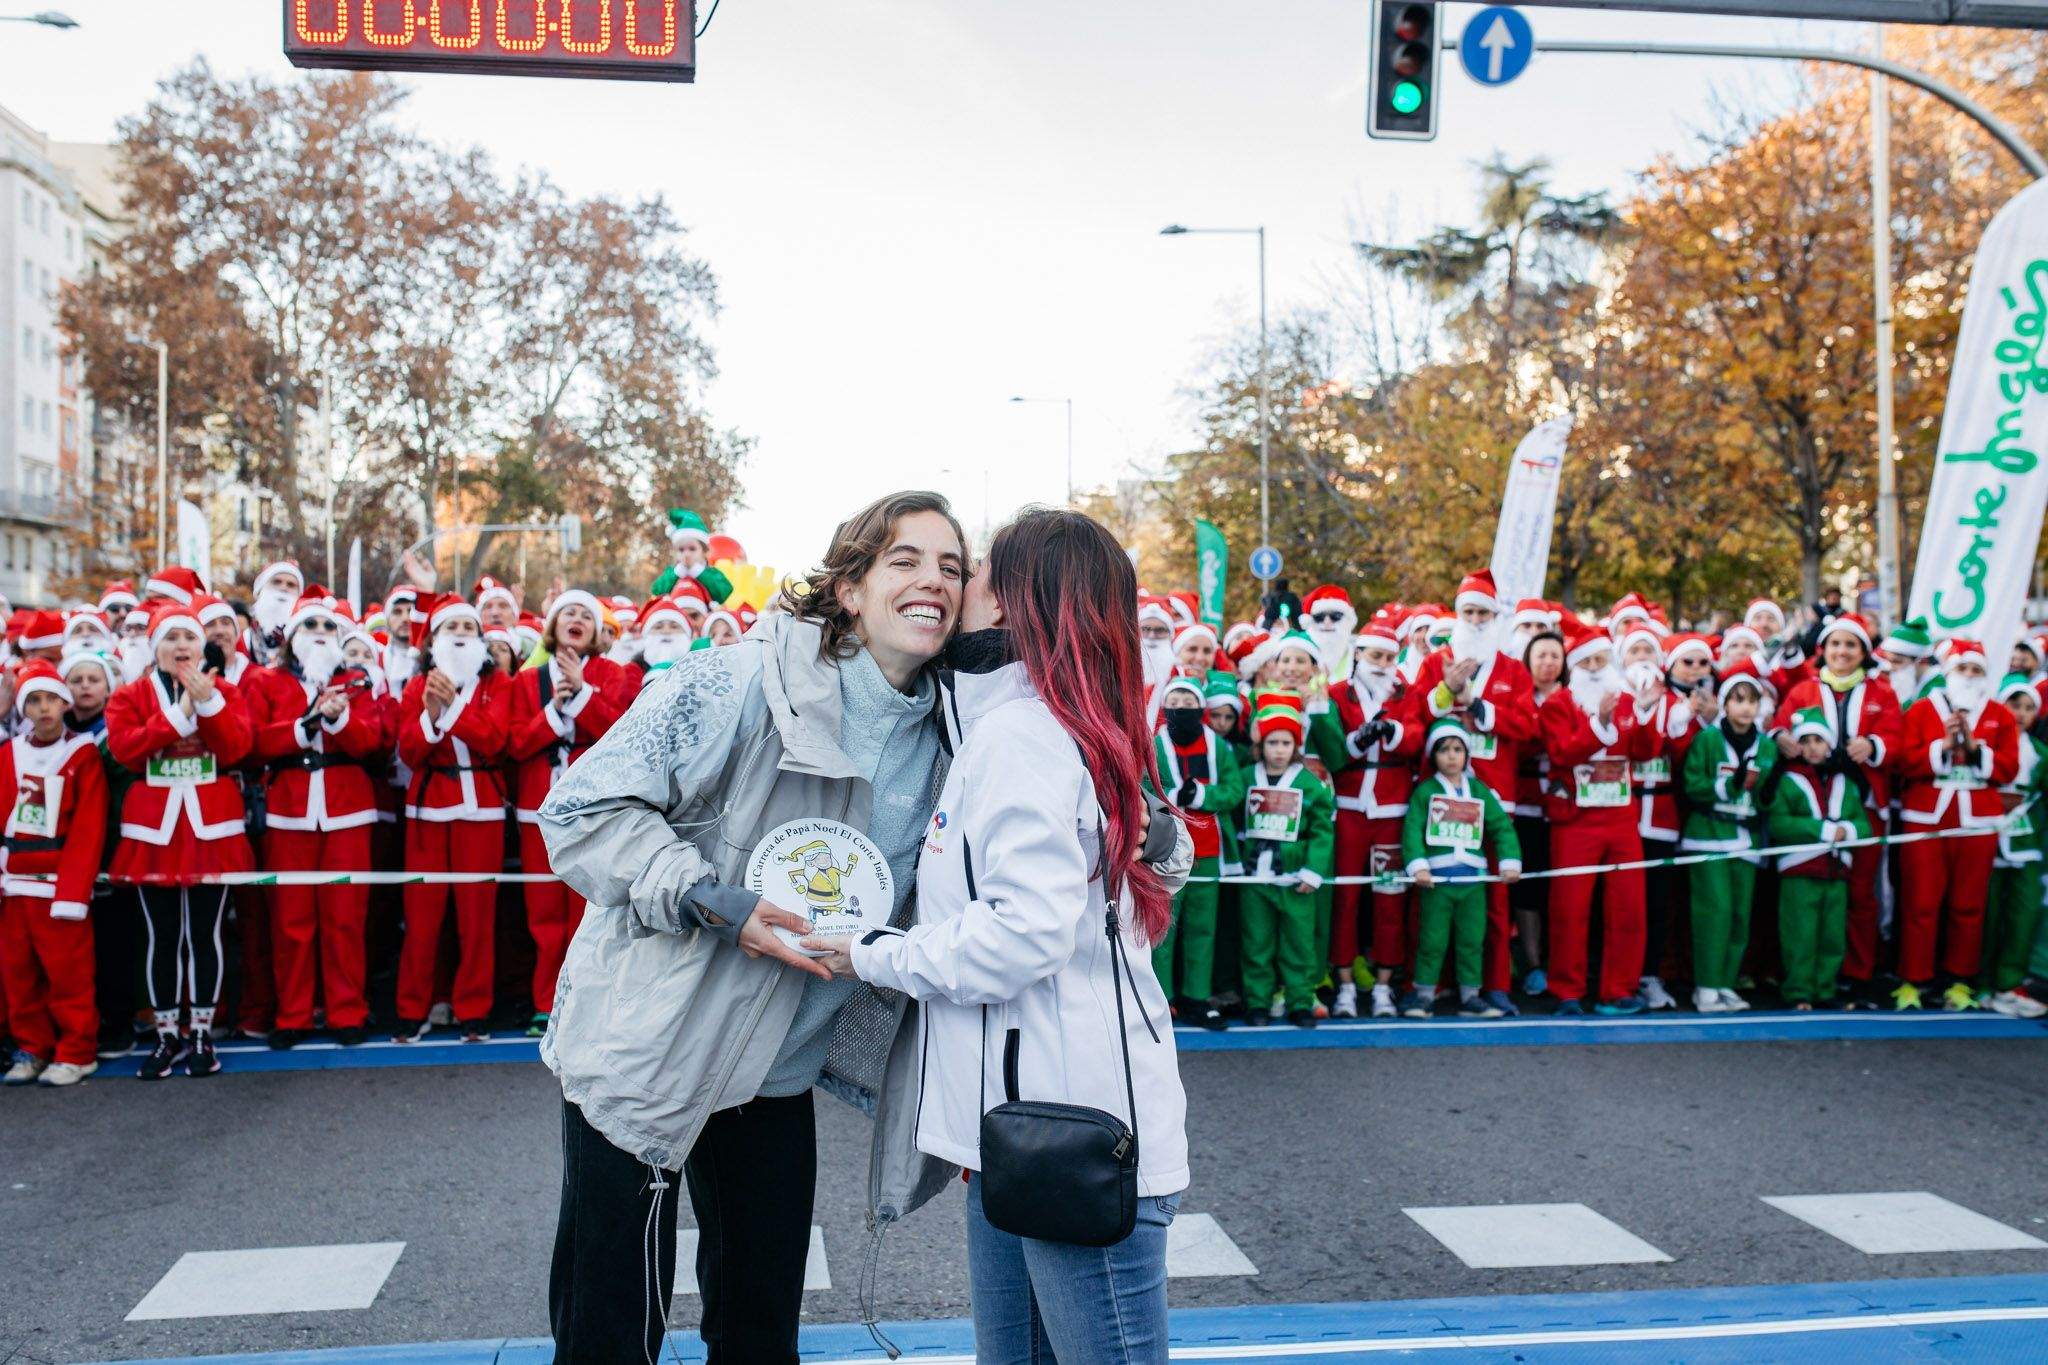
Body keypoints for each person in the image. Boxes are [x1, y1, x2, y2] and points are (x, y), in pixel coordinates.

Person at [539, 491, 969, 1364]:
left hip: (775, 1076)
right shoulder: (735, 680)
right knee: (608, 1340)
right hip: (646, 1051)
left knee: (761, 1337)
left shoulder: (957, 737)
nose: (934, 581)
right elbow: (580, 808)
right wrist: (710, 899)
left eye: (953, 567)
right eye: (906, 560)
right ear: (849, 587)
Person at [815, 506, 1192, 1365]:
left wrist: (869, 950)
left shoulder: (1023, 734)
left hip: (1068, 1136)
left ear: (1017, 601)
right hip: (1020, 1135)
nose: (956, 583)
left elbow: (1026, 933)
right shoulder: (1016, 721)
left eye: (974, 568)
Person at [105, 599, 256, 1079]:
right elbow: (126, 750)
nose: (182, 646)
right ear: (155, 649)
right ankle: (167, 1034)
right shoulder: (130, 696)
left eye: (190, 637)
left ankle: (203, 1034)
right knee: (163, 933)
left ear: (203, 645)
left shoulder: (225, 691)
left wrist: (206, 702)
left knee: (205, 932)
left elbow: (236, 748)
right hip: (155, 829)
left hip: (211, 825)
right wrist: (181, 711)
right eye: (171, 638)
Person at [244, 592, 386, 1050]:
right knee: (291, 920)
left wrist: (340, 719)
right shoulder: (267, 682)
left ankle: (347, 1011)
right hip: (289, 813)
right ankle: (294, 1014)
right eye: (311, 627)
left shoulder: (358, 684)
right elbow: (254, 742)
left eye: (329, 628)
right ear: (291, 637)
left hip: (347, 812)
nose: (321, 635)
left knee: (345, 917)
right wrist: (305, 725)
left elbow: (372, 743)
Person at [504, 588, 641, 1037]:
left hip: (596, 810)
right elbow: (516, 745)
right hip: (537, 810)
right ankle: (546, 1003)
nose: (577, 619)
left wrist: (582, 694)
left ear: (598, 629)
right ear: (554, 625)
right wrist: (554, 712)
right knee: (543, 913)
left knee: (591, 911)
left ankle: (587, 1002)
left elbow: (621, 731)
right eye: (569, 613)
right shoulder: (526, 682)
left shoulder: (616, 674)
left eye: (586, 613)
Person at [1410, 570, 1539, 1015]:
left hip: (1495, 794)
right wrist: (1448, 690)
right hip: (1442, 798)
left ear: (1495, 616)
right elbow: (1416, 717)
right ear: (1458, 614)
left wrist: (1481, 707)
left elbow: (1527, 725)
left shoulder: (1512, 669)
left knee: (1494, 902)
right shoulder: (1436, 662)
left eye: (1484, 612)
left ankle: (1495, 985)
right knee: (1438, 899)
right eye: (1469, 611)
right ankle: (1439, 984)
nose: (1477, 619)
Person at [396, 593, 513, 1043]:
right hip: (427, 810)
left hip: (480, 809)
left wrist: (455, 710)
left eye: (470, 628)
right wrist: (430, 713)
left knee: (476, 916)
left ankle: (473, 1009)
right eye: (453, 629)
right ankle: (413, 1007)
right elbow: (409, 750)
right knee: (421, 915)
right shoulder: (415, 686)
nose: (462, 636)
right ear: (434, 641)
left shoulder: (497, 684)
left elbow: (495, 740)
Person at [1772, 614, 1901, 1007]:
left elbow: (1898, 740)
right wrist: (1783, 739)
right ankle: (1803, 978)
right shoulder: (1803, 690)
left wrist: (1875, 745)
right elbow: (1779, 727)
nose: (1842, 652)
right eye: (1835, 644)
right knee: (1807, 897)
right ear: (1822, 649)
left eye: (1851, 645)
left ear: (1863, 652)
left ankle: (1857, 975)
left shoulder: (1882, 693)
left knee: (1861, 894)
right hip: (1812, 803)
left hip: (1862, 805)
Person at [1539, 622, 1657, 1016]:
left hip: (1621, 817)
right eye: (1585, 660)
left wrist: (1644, 712)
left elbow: (1644, 753)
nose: (1593, 666)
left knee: (1629, 906)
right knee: (1570, 908)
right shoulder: (1559, 704)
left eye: (1599, 659)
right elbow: (1561, 753)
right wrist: (1600, 725)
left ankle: (1618, 989)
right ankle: (1567, 991)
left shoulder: (1625, 698)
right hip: (1576, 818)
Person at [0, 662, 109, 1086]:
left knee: (69, 975)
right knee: (18, 973)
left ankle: (78, 1050)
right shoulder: (8, 753)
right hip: (14, 883)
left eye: (50, 699)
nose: (44, 709)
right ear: (22, 707)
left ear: (65, 702)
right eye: (34, 700)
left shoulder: (81, 753)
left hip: (57, 882)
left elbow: (89, 827)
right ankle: (32, 1048)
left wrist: (73, 891)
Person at [1895, 638, 2019, 1011]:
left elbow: (2008, 767)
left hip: (1978, 822)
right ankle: (1914, 980)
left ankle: (1960, 980)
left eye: (1976, 670)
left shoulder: (2000, 714)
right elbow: (1904, 762)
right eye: (1962, 669)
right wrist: (1943, 747)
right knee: (1921, 901)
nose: (1968, 675)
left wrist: (1979, 749)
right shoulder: (1920, 711)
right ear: (1947, 673)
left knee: (1969, 904)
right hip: (1926, 819)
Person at [1314, 608, 1423, 1019]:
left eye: (1387, 657)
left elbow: (1416, 737)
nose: (1380, 664)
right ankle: (1343, 983)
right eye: (1373, 656)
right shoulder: (1339, 692)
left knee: (1389, 897)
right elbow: (1334, 750)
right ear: (1359, 654)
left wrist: (1392, 732)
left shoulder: (1405, 693)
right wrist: (1358, 739)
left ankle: (1383, 984)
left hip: (1392, 810)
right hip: (1350, 808)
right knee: (1346, 896)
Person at [1400, 718, 1521, 1019]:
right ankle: (1424, 995)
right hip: (1437, 883)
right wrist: (1418, 866)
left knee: (1471, 940)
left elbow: (1501, 828)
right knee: (1431, 940)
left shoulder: (1479, 790)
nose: (1451, 756)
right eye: (1444, 750)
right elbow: (1412, 830)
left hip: (1473, 884)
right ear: (1433, 755)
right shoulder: (1425, 791)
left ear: (1467, 754)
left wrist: (1509, 862)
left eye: (1457, 749)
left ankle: (1471, 996)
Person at [1235, 692, 1335, 1028]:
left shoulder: (1310, 784)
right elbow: (1234, 818)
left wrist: (1313, 870)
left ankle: (1299, 1001)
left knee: (1298, 944)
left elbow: (1323, 831)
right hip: (1255, 878)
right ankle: (1258, 1002)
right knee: (1256, 944)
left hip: (1294, 878)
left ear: (1296, 746)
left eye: (1285, 742)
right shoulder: (1246, 777)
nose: (1278, 749)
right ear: (1260, 744)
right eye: (1272, 742)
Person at [1680, 659, 1774, 1012]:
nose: (1746, 707)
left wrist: (1765, 790)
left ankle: (1726, 983)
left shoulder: (1765, 746)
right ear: (1724, 703)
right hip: (1708, 835)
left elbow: (1767, 794)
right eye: (1738, 699)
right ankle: (1705, 985)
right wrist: (1727, 785)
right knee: (1713, 911)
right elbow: (1693, 785)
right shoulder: (1707, 740)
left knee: (1739, 914)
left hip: (1746, 840)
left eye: (1752, 700)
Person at [1762, 707, 1870, 1009]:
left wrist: (1845, 831)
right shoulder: (1787, 780)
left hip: (1836, 871)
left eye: (1819, 741)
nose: (1812, 747)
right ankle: (1798, 991)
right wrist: (1822, 830)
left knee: (1832, 935)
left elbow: (1863, 824)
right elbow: (1780, 823)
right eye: (1806, 740)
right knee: (1800, 933)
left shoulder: (1845, 782)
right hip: (1800, 871)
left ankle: (1825, 990)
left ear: (1830, 745)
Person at [1152, 674, 1243, 1029]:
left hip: (1208, 849)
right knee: (1164, 927)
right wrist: (1175, 798)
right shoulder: (1152, 742)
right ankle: (1162, 998)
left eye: (1189, 704)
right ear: (1163, 707)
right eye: (1174, 703)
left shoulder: (1219, 746)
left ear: (1202, 708)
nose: (1181, 710)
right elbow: (1142, 784)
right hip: (1166, 851)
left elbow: (1234, 789)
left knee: (1203, 928)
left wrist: (1203, 796)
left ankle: (1196, 997)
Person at [1981, 675, 2048, 1018]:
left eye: (2028, 708)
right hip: (1987, 840)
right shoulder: (1986, 745)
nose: (2020, 714)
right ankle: (1981, 980)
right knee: (1987, 913)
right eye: (2014, 705)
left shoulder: (2040, 754)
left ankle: (2009, 983)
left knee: (2022, 915)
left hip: (2026, 846)